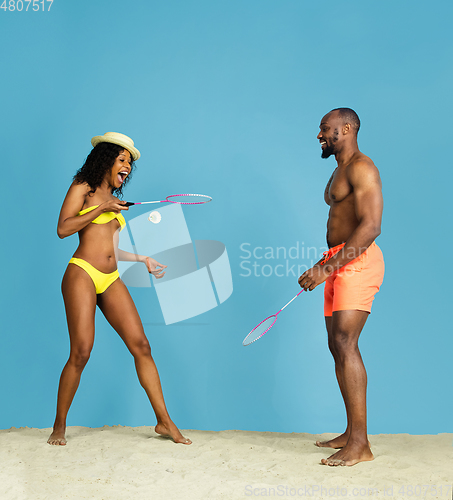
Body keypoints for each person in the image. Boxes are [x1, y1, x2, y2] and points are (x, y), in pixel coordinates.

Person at [48, 132, 191, 446]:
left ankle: (164, 422)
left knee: (141, 345)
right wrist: (101, 208)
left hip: (110, 277)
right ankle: (59, 426)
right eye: (122, 159)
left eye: (129, 163)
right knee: (81, 351)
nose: (127, 166)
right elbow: (63, 228)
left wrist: (142, 259)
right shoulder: (83, 189)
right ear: (105, 159)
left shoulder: (115, 199)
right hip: (82, 273)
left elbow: (110, 247)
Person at [298, 109, 384, 466]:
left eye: (325, 129)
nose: (319, 135)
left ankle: (361, 444)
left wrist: (329, 267)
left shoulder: (363, 167)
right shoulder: (339, 170)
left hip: (357, 260)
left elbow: (370, 226)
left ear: (346, 129)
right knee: (337, 345)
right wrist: (323, 266)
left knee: (347, 342)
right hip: (336, 259)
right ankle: (351, 432)